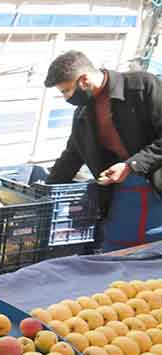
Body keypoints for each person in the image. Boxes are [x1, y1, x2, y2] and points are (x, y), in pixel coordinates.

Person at [44, 50, 162, 251]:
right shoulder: (82, 112)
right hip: (121, 194)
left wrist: (131, 165)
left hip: (156, 188)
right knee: (117, 254)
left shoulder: (142, 86)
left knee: (153, 254)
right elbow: (72, 155)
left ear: (84, 80)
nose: (65, 98)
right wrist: (45, 191)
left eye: (66, 91)